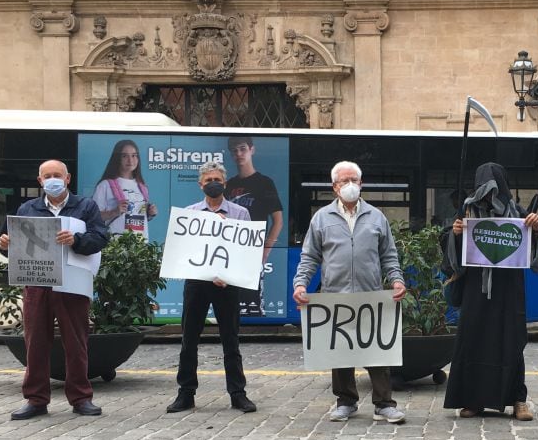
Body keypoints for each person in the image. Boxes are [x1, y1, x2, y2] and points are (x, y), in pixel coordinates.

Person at [293, 160, 408, 423]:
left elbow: (388, 255)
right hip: (336, 296)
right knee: (340, 350)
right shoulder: (321, 218)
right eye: (344, 181)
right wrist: (300, 284)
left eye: (354, 180)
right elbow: (310, 256)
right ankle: (345, 401)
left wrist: (397, 280)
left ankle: (384, 404)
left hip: (370, 296)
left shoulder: (376, 217)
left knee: (377, 351)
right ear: (334, 187)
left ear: (361, 183)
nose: (350, 185)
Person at [0, 160, 108, 420]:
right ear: (40, 181)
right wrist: (4, 245)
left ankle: (81, 398)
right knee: (35, 342)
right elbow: (10, 246)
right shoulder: (27, 209)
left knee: (76, 342)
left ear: (67, 178)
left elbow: (101, 238)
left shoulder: (85, 206)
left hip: (72, 283)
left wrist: (76, 240)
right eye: (47, 176)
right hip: (38, 283)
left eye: (57, 175)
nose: (52, 179)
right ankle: (36, 400)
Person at [441, 163, 538, 420]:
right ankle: (473, 400)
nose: (489, 196)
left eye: (494, 190)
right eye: (484, 190)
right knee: (473, 340)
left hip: (509, 290)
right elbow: (449, 250)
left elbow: (532, 249)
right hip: (475, 290)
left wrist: (536, 228)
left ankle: (518, 399)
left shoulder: (518, 213)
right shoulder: (466, 212)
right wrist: (455, 234)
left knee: (512, 340)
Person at [166, 160, 257, 414]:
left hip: (227, 285)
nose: (213, 184)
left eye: (217, 180)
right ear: (200, 184)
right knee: (189, 339)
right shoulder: (190, 213)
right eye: (208, 180)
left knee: (231, 339)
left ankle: (238, 394)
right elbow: (183, 251)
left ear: (225, 183)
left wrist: (228, 274)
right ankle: (186, 393)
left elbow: (246, 252)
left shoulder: (240, 213)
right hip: (197, 283)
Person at [225, 136, 285, 316]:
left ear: (252, 150)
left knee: (252, 305)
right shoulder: (229, 185)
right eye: (234, 150)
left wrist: (265, 252)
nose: (239, 154)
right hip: (230, 254)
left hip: (253, 252)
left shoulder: (264, 183)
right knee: (231, 306)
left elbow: (278, 221)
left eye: (242, 149)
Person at [92, 140, 157, 236]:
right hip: (114, 243)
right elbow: (93, 217)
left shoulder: (142, 187)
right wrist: (114, 212)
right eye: (124, 156)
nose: (130, 160)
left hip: (140, 243)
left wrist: (150, 213)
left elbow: (138, 217)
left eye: (134, 155)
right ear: (117, 158)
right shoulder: (105, 185)